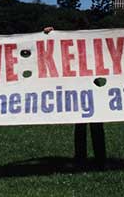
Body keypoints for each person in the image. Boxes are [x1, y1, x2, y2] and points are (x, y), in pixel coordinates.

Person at [42, 25, 107, 167]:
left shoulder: (93, 44)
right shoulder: (71, 47)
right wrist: (49, 34)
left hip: (92, 85)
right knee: (80, 124)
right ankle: (81, 157)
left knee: (95, 124)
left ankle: (99, 158)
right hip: (78, 86)